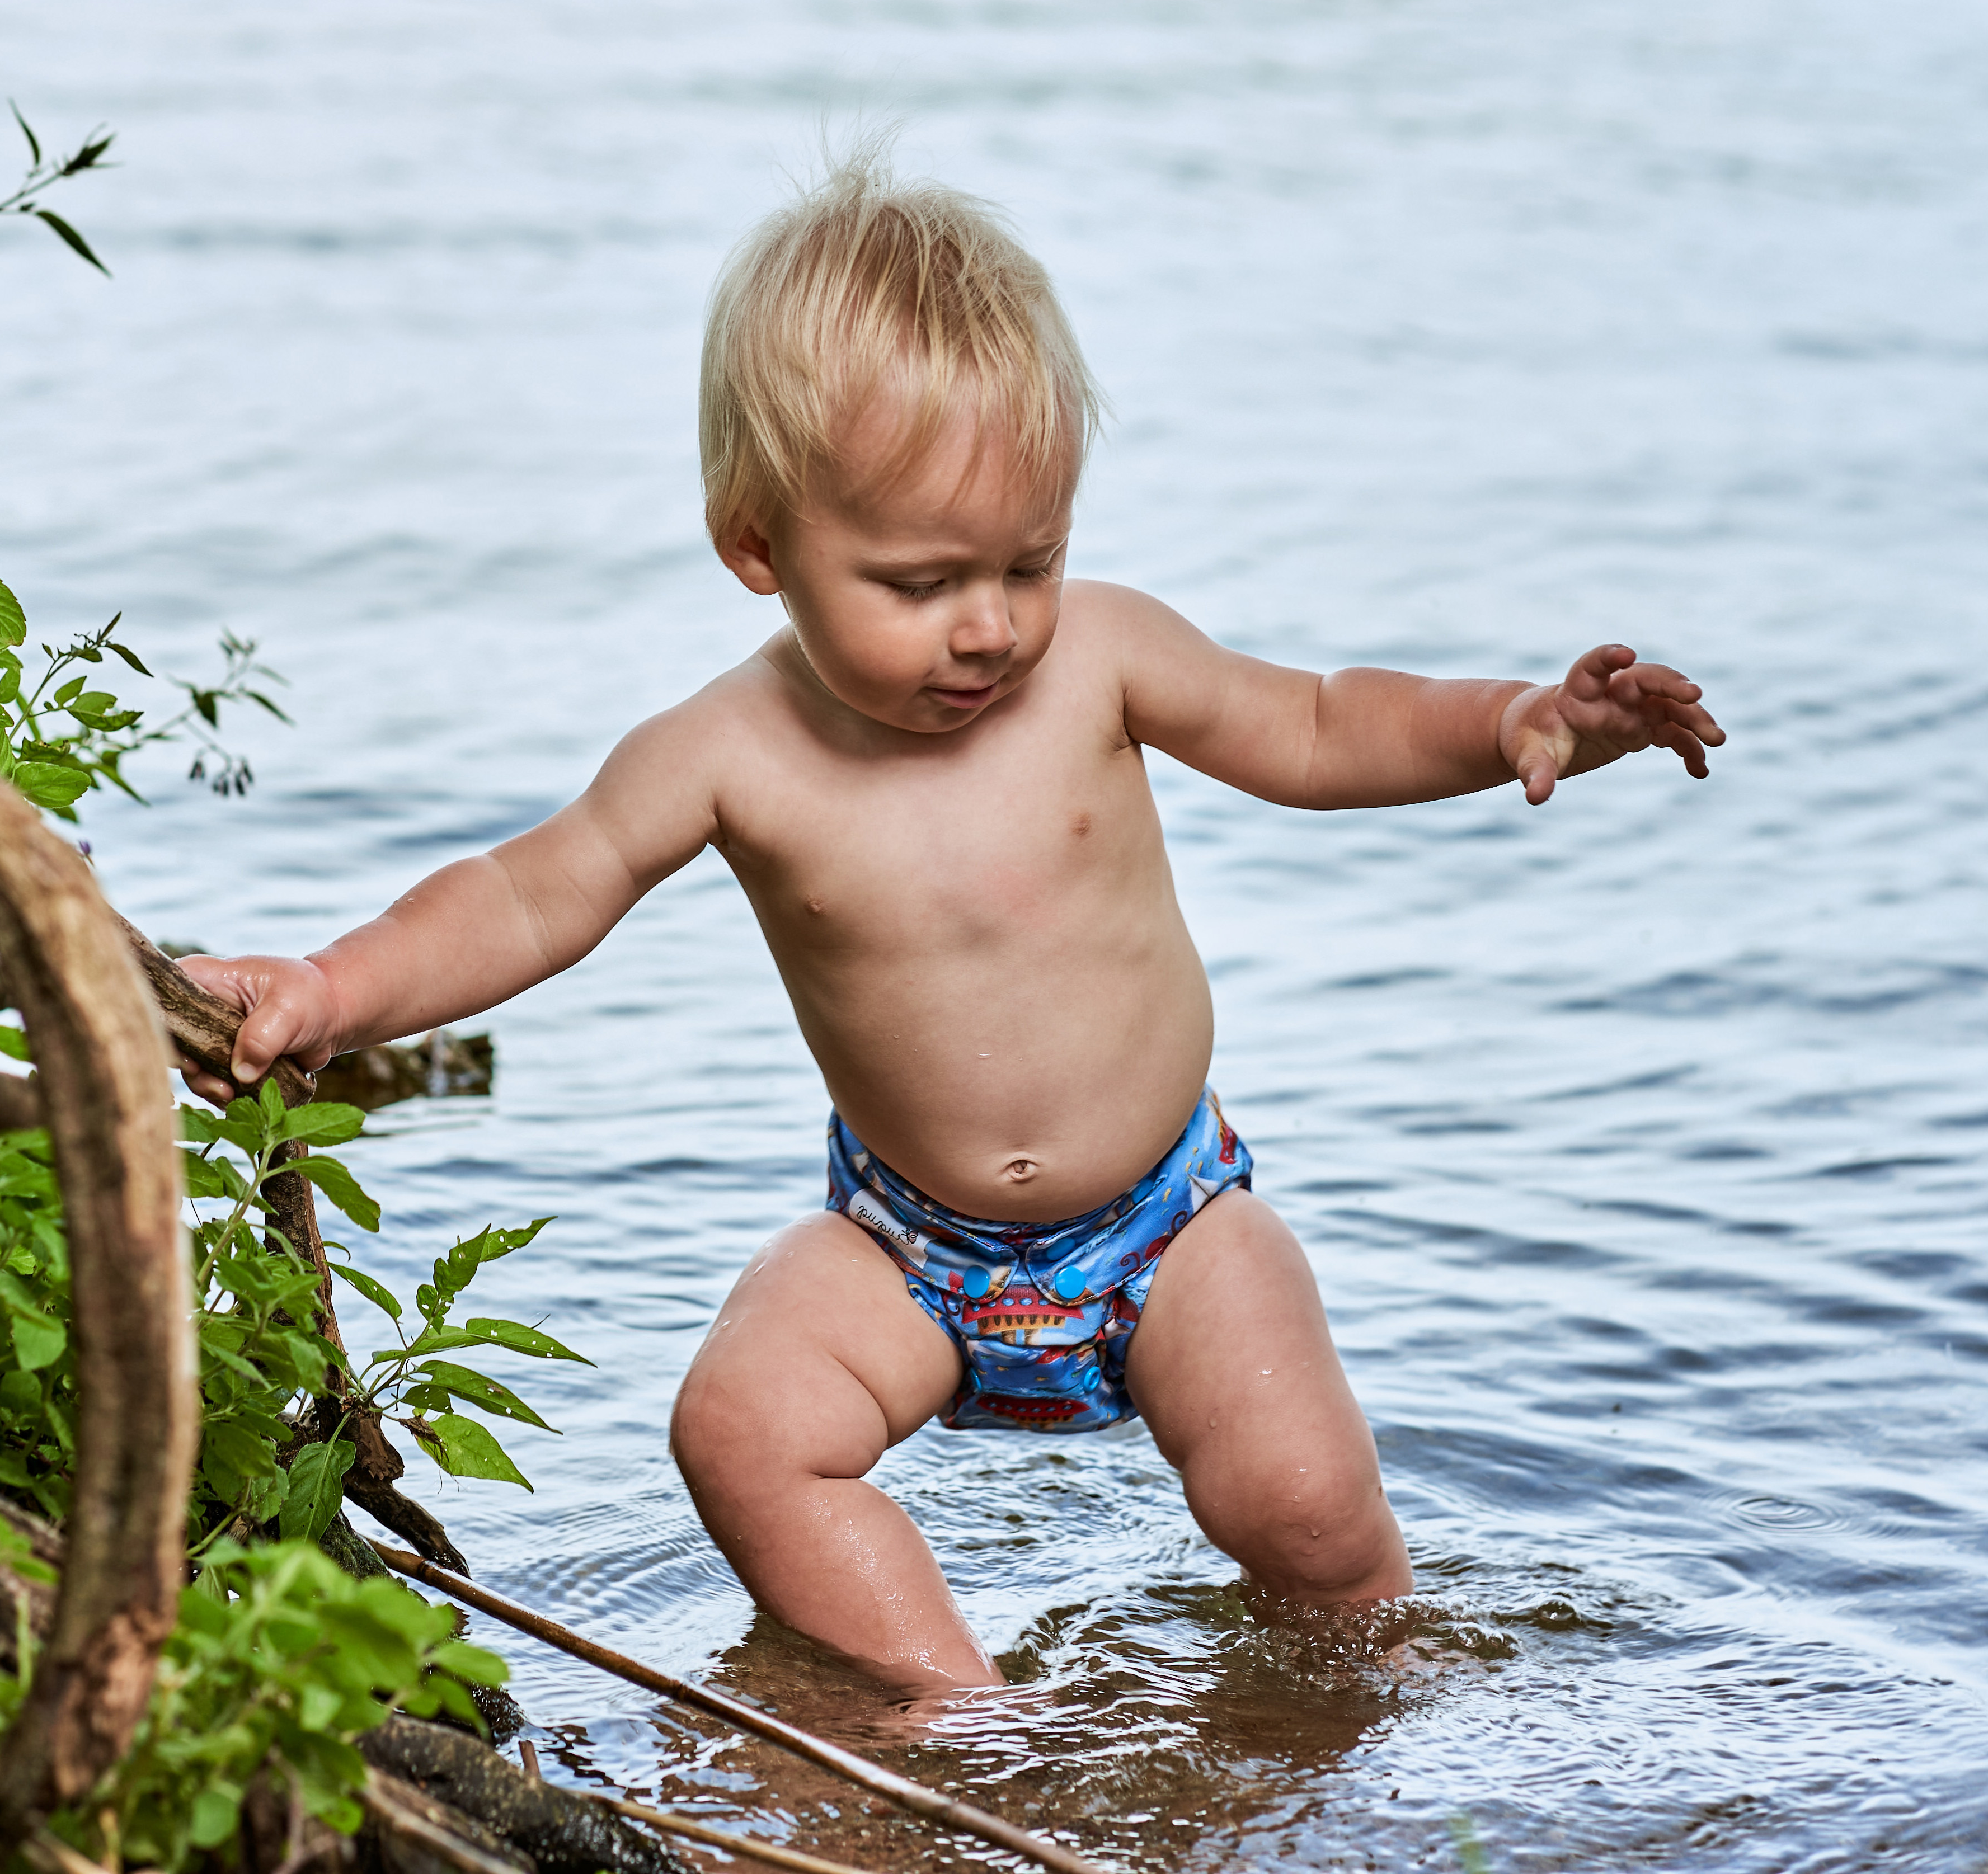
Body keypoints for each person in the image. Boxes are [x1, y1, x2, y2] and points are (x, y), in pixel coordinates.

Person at [178, 148, 1724, 1693]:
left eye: (1027, 563)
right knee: (738, 1430)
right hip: (908, 1252)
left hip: (1169, 1229)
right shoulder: (729, 753)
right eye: (919, 582)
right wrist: (328, 984)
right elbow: (531, 891)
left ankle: (1378, 1696)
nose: (987, 625)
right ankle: (955, 1720)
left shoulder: (1102, 658)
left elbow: (1318, 724)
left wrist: (1514, 716)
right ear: (759, 545)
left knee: (1305, 1504)